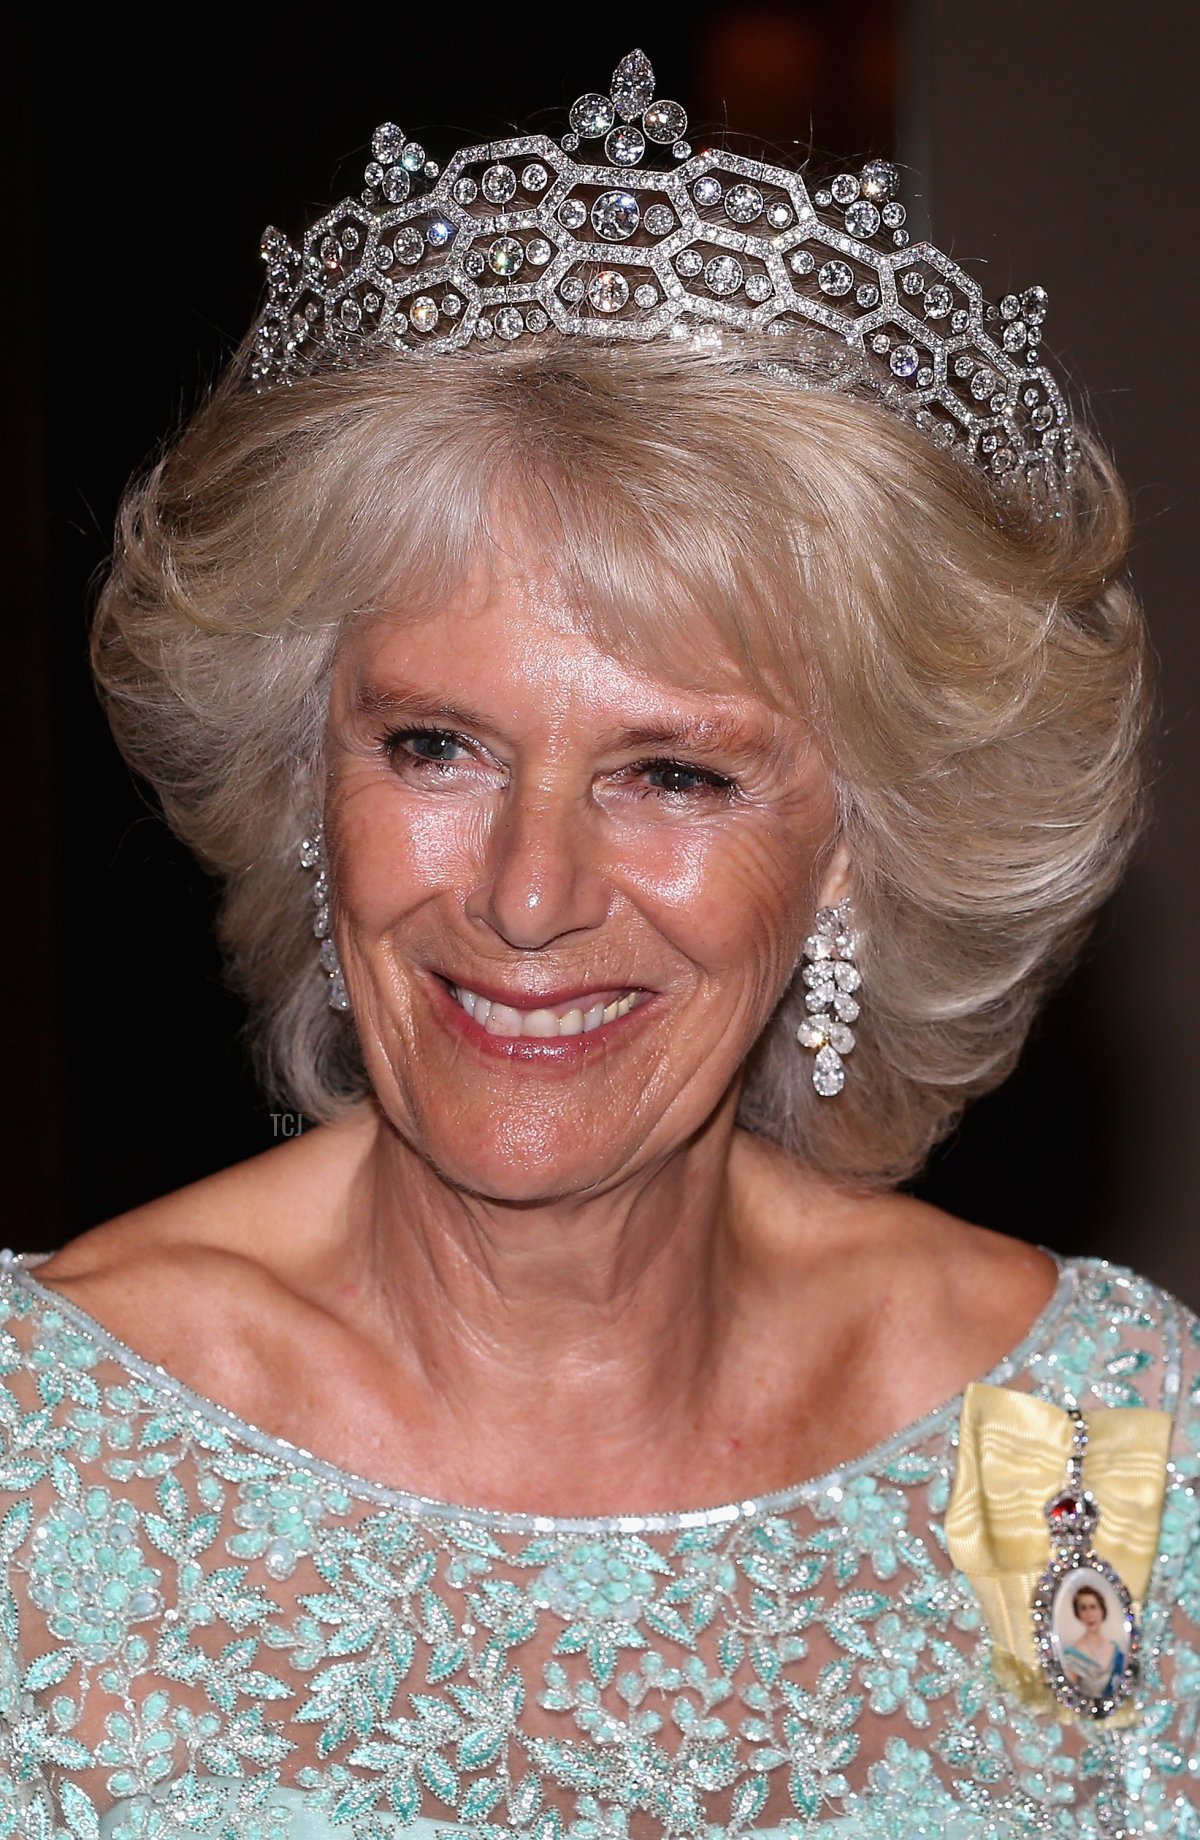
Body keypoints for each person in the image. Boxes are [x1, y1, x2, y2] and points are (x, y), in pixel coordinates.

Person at [1, 47, 1196, 1840]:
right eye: (434, 747)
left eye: (674, 771)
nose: (528, 894)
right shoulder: (39, 1463)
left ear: (860, 852)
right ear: (302, 787)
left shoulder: (1071, 1442)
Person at [1060, 1584, 1126, 1701]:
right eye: (1083, 1608)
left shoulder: (1116, 1651)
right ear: (1078, 1614)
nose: (1089, 1615)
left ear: (1102, 1610)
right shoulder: (1072, 1656)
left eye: (1093, 1607)